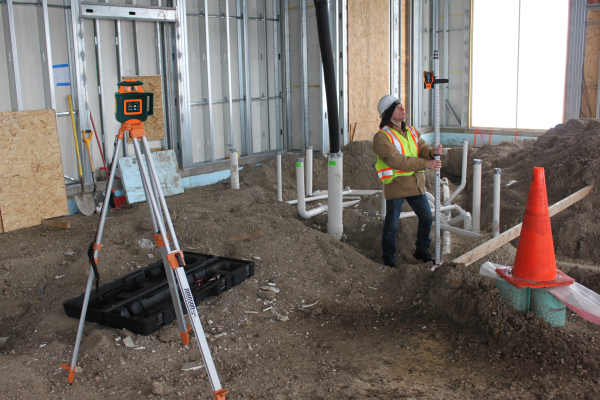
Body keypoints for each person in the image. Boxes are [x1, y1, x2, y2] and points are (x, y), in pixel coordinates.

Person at [372, 95, 442, 267]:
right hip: (397, 186)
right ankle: (389, 259)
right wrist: (426, 164)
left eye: (401, 106)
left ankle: (421, 249)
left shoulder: (411, 131)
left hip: (416, 184)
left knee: (426, 218)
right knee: (391, 227)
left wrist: (432, 152)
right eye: (398, 108)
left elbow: (422, 147)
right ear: (389, 113)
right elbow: (396, 160)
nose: (403, 109)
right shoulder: (381, 137)